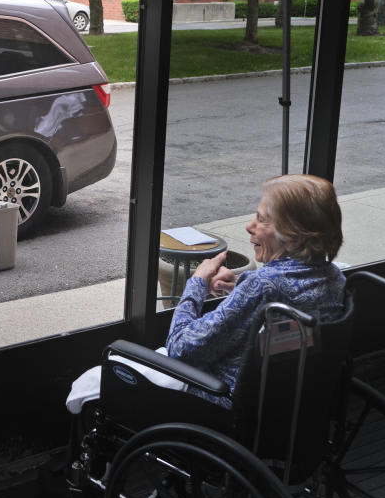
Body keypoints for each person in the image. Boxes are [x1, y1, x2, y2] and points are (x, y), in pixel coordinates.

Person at [66, 174, 346, 414]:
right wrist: (239, 289)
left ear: (294, 235)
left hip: (222, 405)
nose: (249, 226)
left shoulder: (264, 287)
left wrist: (197, 283)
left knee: (96, 380)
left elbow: (179, 349)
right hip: (290, 405)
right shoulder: (335, 278)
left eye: (261, 220)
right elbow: (283, 301)